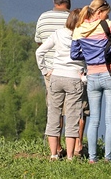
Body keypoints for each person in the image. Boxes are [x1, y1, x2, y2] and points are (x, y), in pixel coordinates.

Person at [71, 0, 111, 163]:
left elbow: (74, 54)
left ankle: (92, 158)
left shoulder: (79, 29)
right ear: (100, 12)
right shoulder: (106, 25)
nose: (107, 16)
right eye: (106, 13)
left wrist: (89, 55)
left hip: (92, 75)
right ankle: (108, 157)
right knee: (110, 118)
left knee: (94, 119)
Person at [36, 9, 86, 161]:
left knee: (53, 114)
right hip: (74, 79)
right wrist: (84, 76)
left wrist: (45, 70)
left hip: (56, 77)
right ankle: (70, 156)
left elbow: (39, 52)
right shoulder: (82, 37)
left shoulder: (57, 33)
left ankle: (53, 154)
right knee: (72, 117)